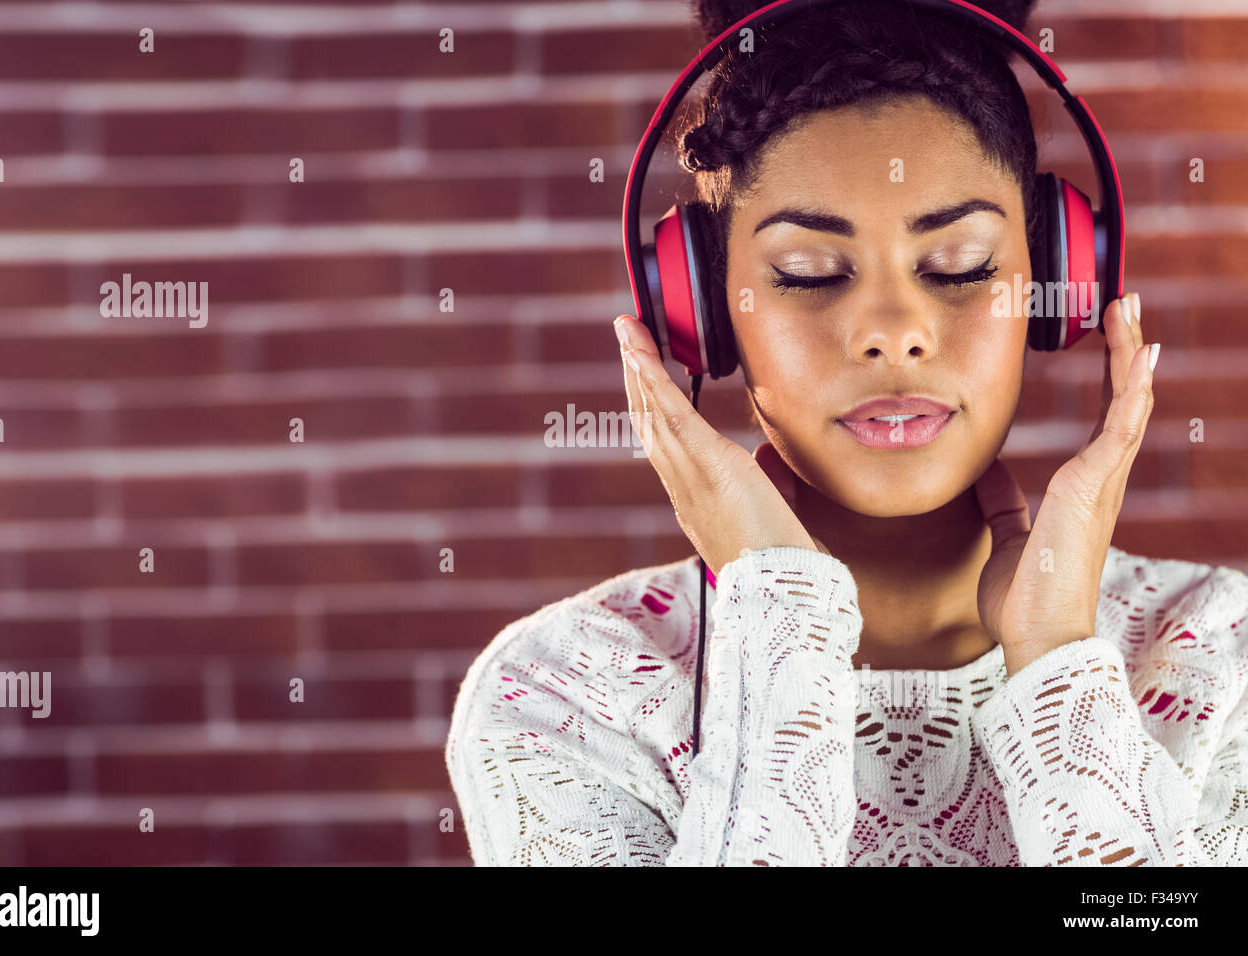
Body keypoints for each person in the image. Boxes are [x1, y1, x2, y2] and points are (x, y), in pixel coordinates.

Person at [444, 0, 1248, 865]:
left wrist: (1057, 659)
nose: (892, 330)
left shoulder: (1221, 655)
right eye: (809, 273)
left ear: (1058, 281)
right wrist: (780, 624)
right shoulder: (564, 692)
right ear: (707, 310)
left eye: (959, 266)